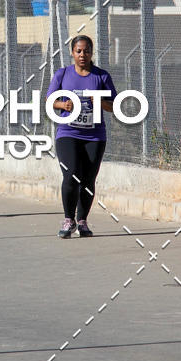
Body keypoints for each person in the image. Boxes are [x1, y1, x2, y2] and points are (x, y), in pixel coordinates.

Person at [46, 35, 116, 239]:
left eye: (86, 51)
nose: (82, 55)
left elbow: (114, 107)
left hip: (94, 136)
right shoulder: (63, 74)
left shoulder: (101, 76)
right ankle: (69, 220)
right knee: (70, 175)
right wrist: (62, 105)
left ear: (91, 53)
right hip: (68, 132)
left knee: (87, 179)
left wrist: (100, 101)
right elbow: (49, 100)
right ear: (72, 53)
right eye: (78, 51)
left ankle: (83, 221)